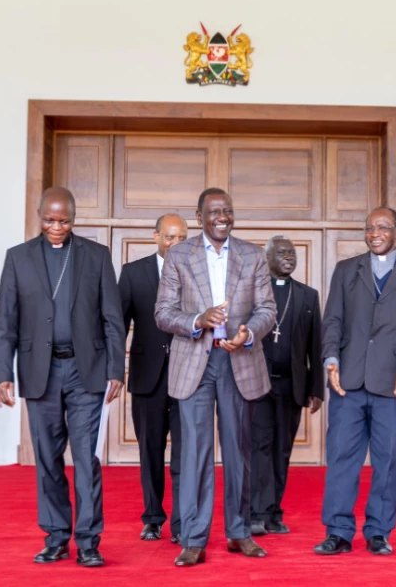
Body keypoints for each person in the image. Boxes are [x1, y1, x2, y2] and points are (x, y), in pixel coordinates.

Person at [0, 186, 125, 567]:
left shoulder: (96, 256)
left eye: (64, 220)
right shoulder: (18, 258)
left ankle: (88, 541)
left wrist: (116, 369)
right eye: (49, 220)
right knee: (48, 459)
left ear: (74, 218)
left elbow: (112, 319)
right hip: (40, 374)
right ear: (39, 215)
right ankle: (55, 536)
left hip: (88, 373)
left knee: (86, 459)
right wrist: (3, 373)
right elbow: (5, 322)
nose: (56, 226)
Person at [155, 187, 276, 567]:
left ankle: (239, 533)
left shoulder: (253, 255)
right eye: (214, 212)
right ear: (199, 215)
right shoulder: (178, 255)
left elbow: (267, 309)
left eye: (228, 211)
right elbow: (163, 312)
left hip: (238, 361)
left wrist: (248, 333)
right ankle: (193, 538)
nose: (222, 217)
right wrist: (196, 320)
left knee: (239, 450)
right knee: (194, 453)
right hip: (194, 363)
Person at [314, 207, 396, 557]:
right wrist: (331, 359)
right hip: (348, 383)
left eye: (383, 227)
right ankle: (337, 530)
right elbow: (333, 320)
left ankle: (379, 531)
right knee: (341, 458)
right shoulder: (345, 270)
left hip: (395, 386)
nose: (375, 233)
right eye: (369, 228)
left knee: (390, 460)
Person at [118, 213, 187, 543]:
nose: (175, 243)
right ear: (156, 236)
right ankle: (152, 517)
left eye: (182, 238)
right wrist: (113, 371)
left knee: (185, 454)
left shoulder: (197, 273)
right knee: (150, 450)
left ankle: (181, 522)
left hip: (189, 377)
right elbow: (116, 326)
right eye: (170, 237)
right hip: (148, 377)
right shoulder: (133, 274)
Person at [250, 236, 324, 537]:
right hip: (257, 386)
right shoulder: (254, 293)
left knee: (282, 451)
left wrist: (317, 389)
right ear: (267, 257)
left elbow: (315, 346)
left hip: (292, 387)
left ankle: (274, 514)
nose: (288, 258)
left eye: (291, 253)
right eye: (281, 253)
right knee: (260, 449)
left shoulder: (307, 296)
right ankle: (256, 513)